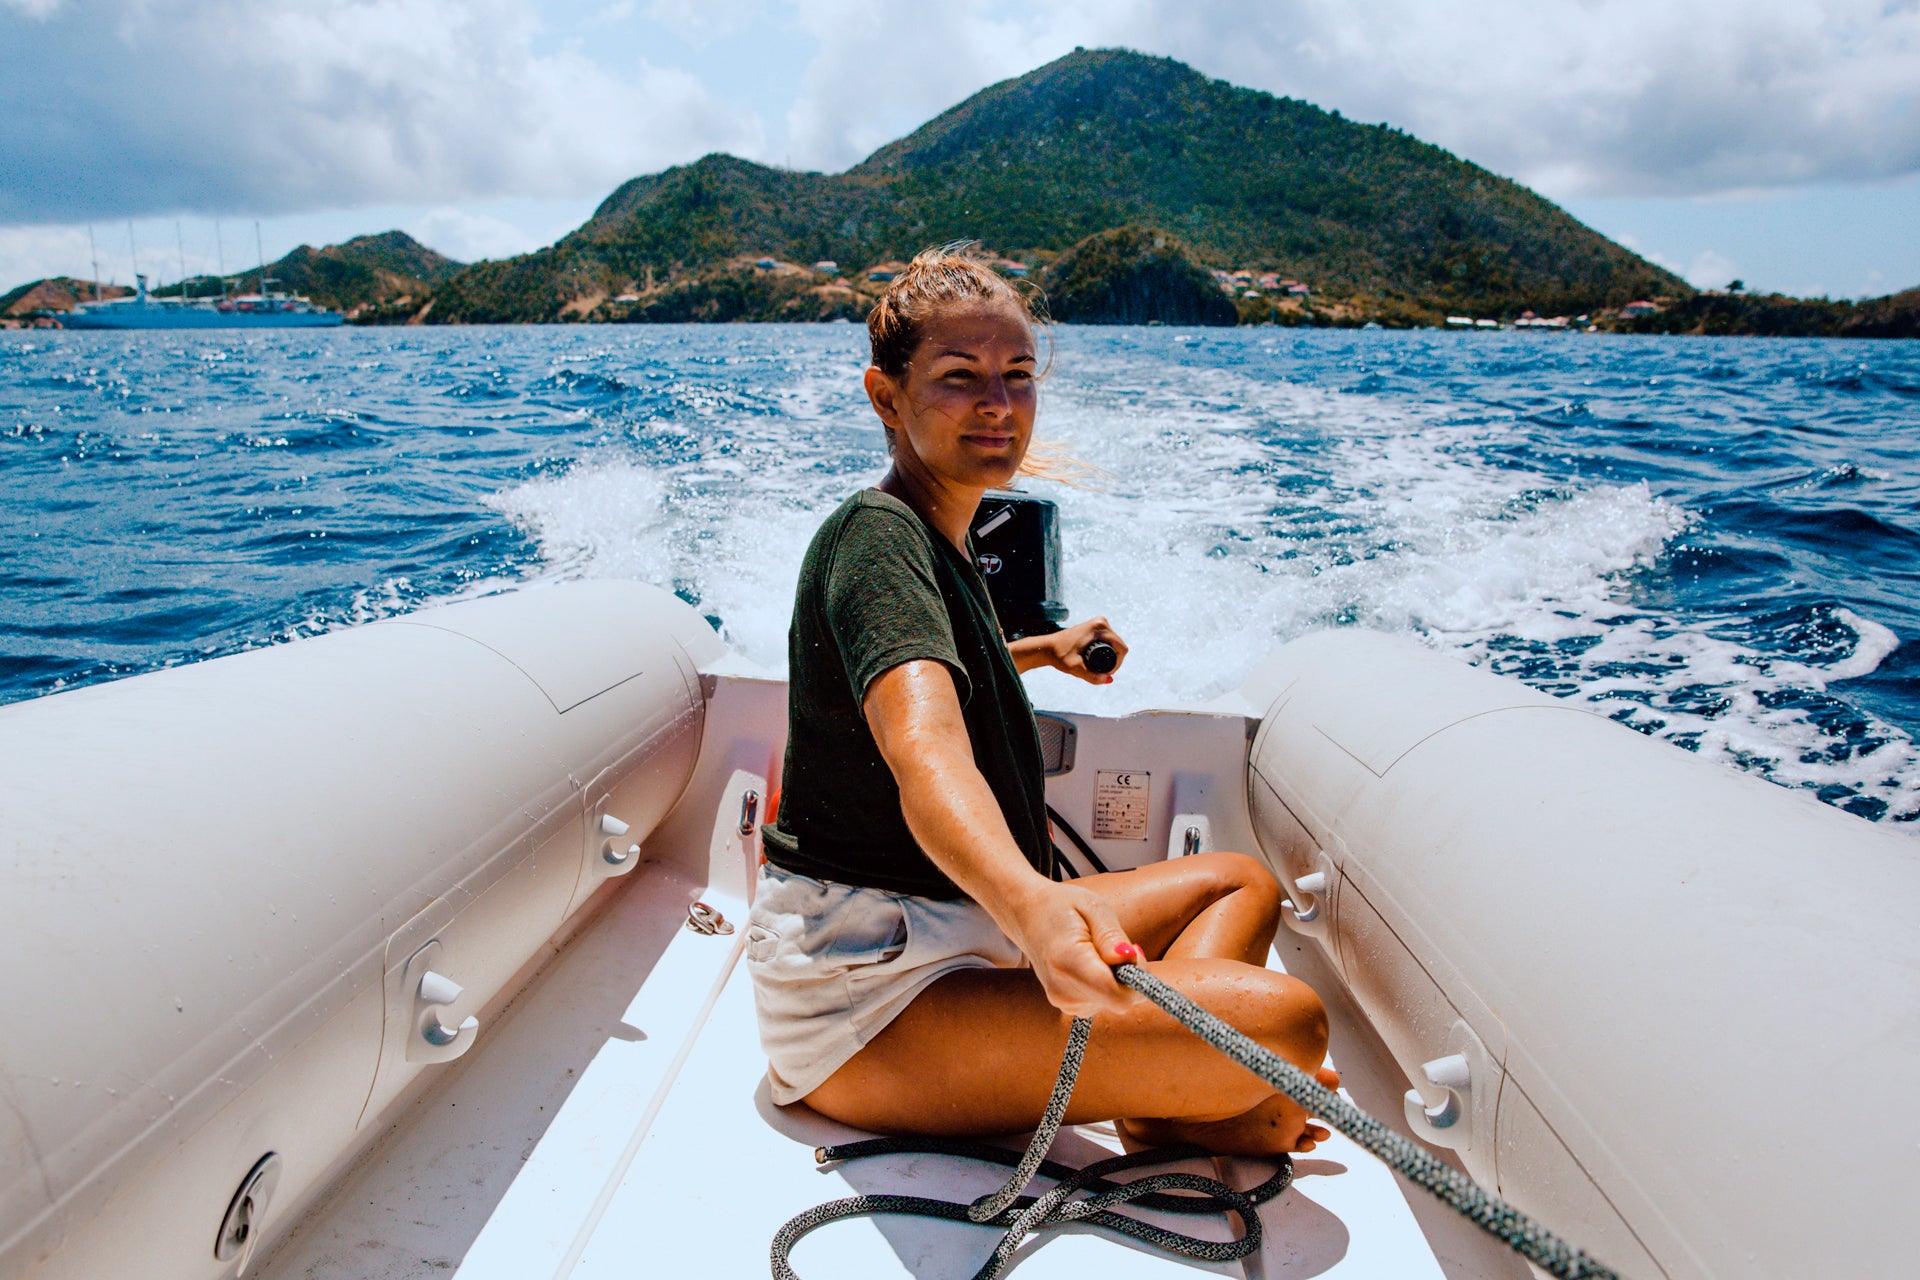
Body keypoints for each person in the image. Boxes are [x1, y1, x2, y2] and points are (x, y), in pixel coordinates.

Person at [746, 246, 1337, 1156]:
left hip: (967, 931)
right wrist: (1033, 903)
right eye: (960, 377)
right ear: (885, 396)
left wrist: (1041, 652)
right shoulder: (875, 536)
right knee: (1287, 1029)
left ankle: (1167, 1080)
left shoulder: (940, 536)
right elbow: (924, 743)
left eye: (1017, 376)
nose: (997, 403)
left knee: (1239, 879)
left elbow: (942, 667)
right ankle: (1187, 1081)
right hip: (872, 998)